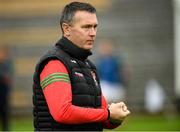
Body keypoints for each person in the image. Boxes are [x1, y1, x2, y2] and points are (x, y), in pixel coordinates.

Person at [33, 2, 130, 131]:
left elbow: (101, 117)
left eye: (95, 27)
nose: (93, 33)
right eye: (86, 27)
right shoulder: (54, 62)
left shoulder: (90, 66)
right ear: (66, 29)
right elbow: (62, 112)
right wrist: (108, 113)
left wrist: (115, 117)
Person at [0, 45, 12, 131]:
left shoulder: (7, 64)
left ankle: (6, 128)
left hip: (4, 92)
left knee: (4, 111)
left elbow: (9, 77)